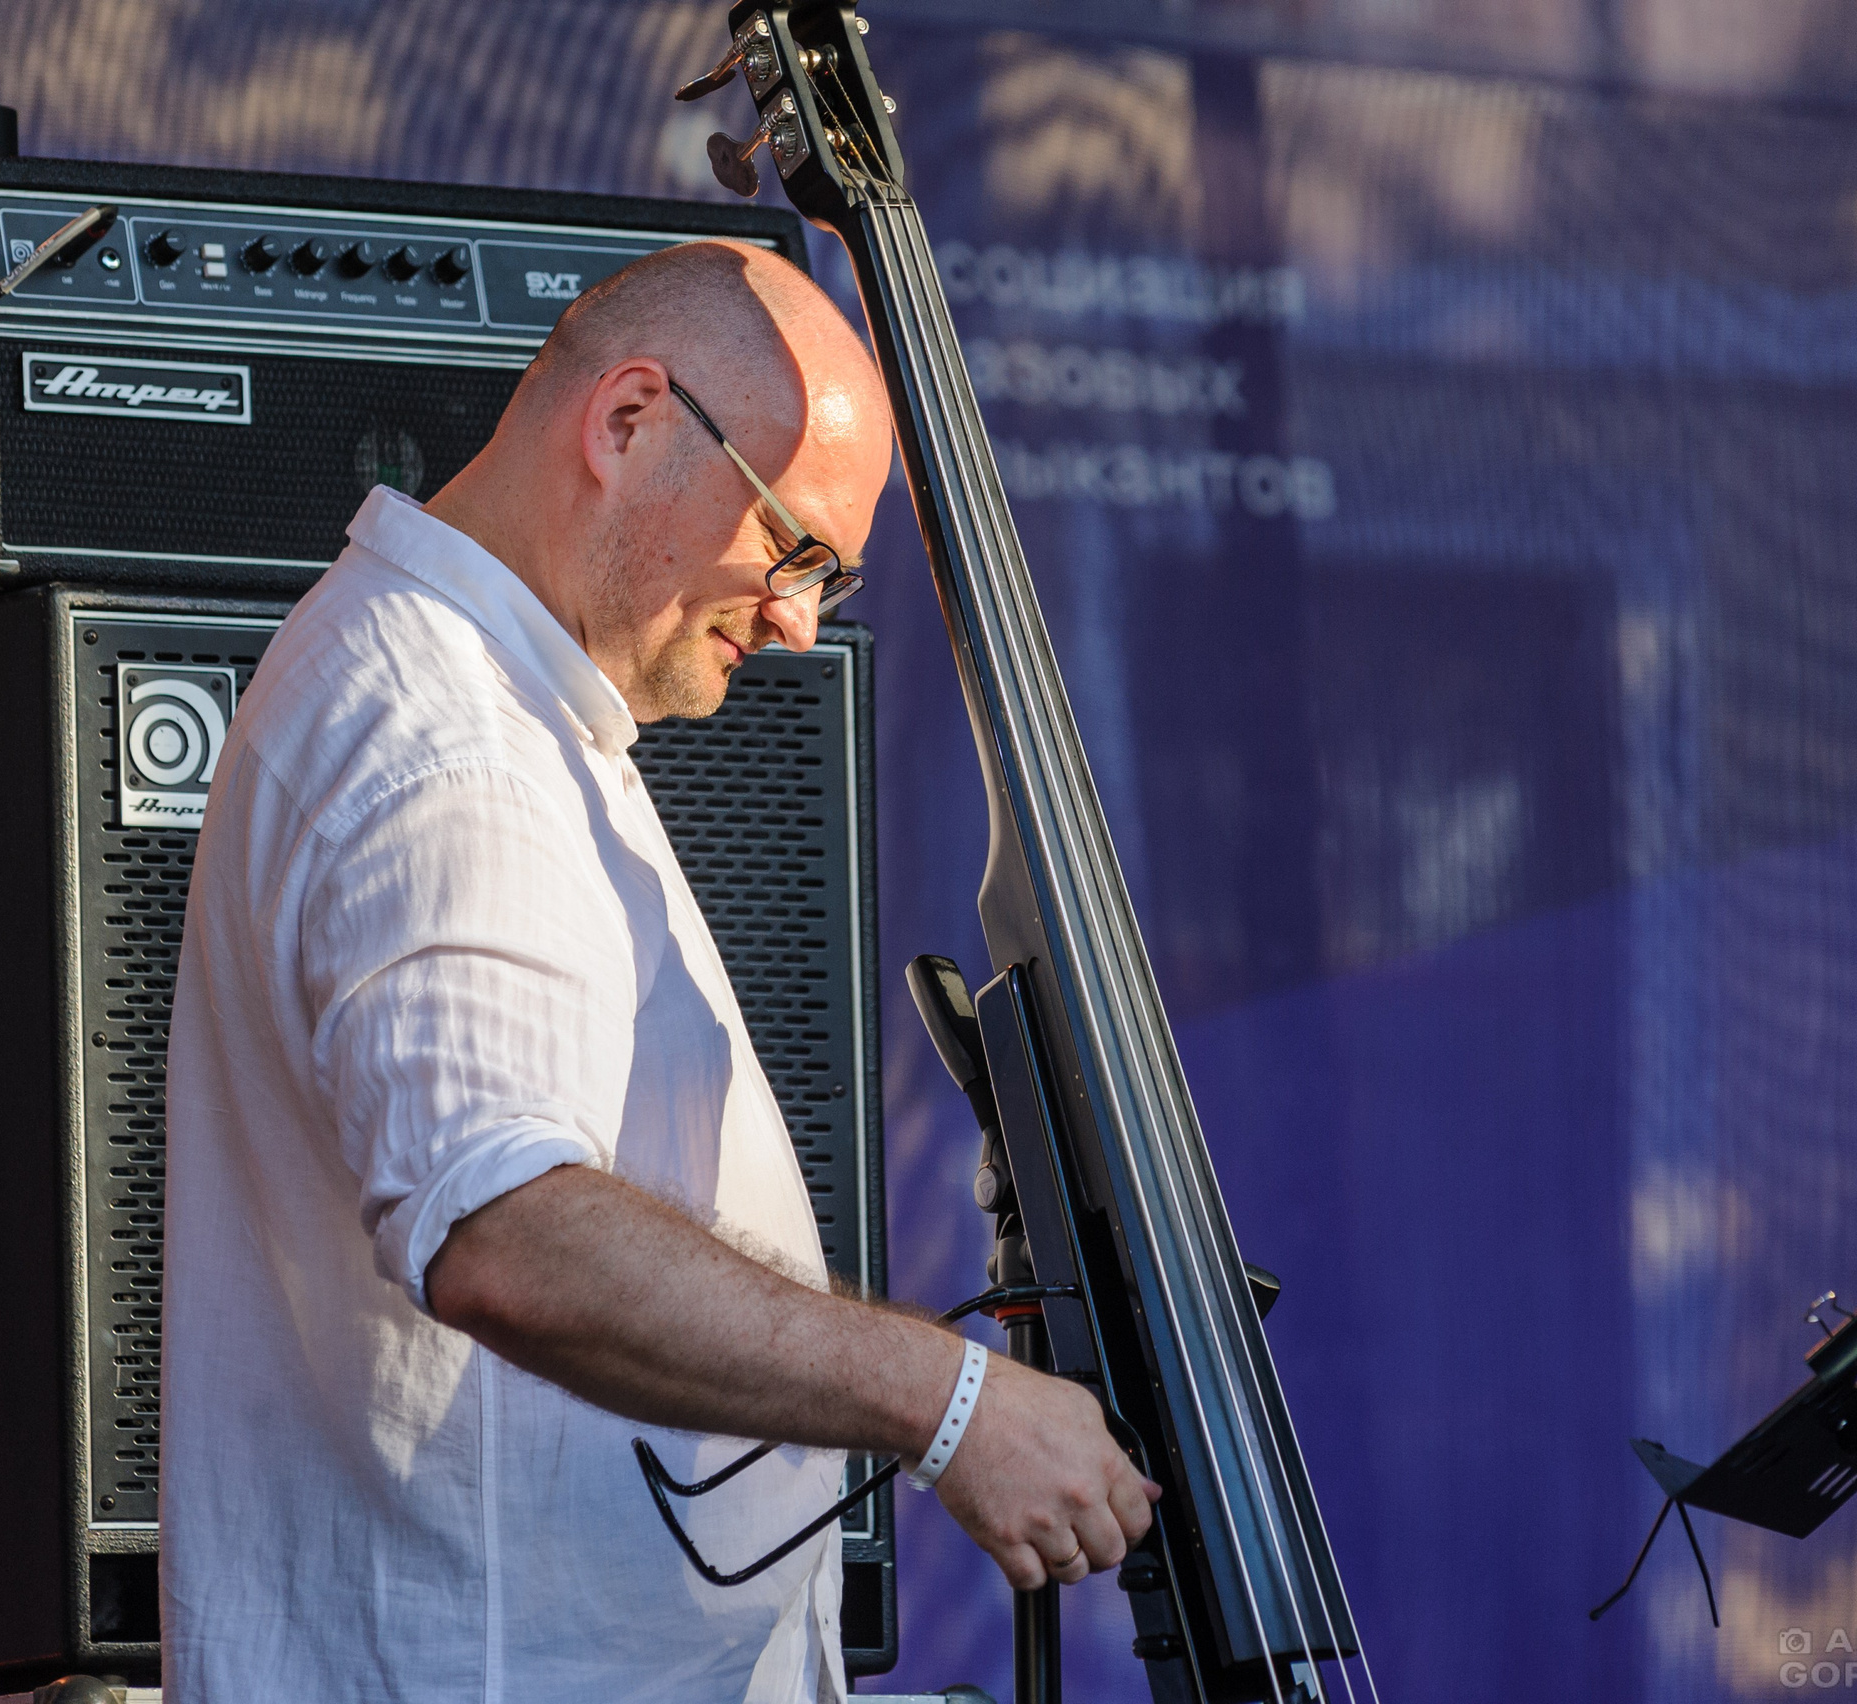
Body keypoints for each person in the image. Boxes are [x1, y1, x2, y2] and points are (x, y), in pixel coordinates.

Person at [161, 239, 1156, 1703]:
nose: (801, 619)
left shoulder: (492, 704)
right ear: (629, 423)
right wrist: (946, 1406)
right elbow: (505, 1227)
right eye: (795, 547)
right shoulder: (444, 747)